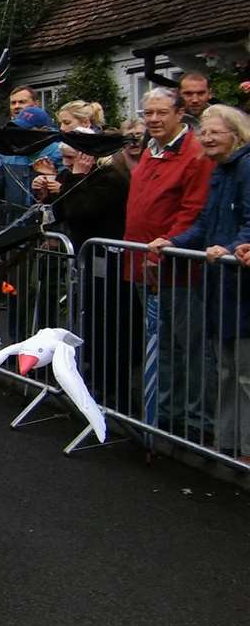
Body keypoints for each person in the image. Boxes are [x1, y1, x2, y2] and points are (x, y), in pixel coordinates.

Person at [148, 104, 250, 459]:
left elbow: (249, 220)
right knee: (225, 369)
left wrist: (234, 246)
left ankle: (244, 446)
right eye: (203, 132)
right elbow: (205, 223)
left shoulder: (246, 167)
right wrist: (174, 241)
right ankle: (228, 444)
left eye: (214, 132)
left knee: (243, 372)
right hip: (222, 281)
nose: (205, 138)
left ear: (235, 134)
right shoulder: (220, 171)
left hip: (240, 281)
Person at [124, 87, 214, 436]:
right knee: (158, 343)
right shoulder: (151, 149)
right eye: (149, 113)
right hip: (142, 263)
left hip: (176, 267)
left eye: (162, 112)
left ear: (179, 114)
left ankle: (195, 421)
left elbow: (192, 210)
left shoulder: (194, 154)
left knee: (188, 347)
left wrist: (165, 249)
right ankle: (164, 413)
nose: (154, 119)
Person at [0, 106, 60, 209]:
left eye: (26, 130)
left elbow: (67, 187)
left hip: (48, 218)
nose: (20, 133)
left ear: (43, 130)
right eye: (17, 128)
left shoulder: (60, 152)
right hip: (13, 218)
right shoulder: (7, 152)